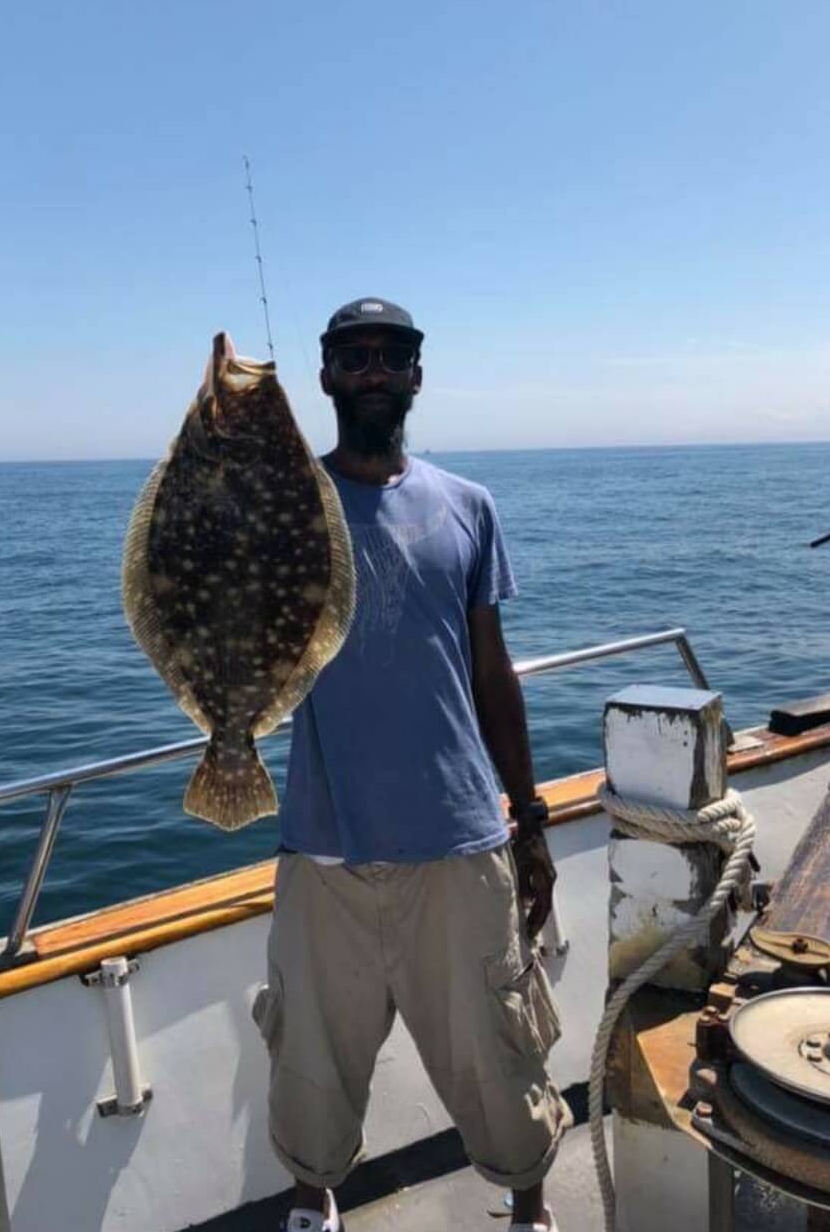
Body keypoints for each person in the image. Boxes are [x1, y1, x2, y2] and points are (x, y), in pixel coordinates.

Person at [252, 298, 571, 1232]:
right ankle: (315, 1208)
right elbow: (242, 633)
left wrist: (533, 817)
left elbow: (490, 671)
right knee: (310, 1056)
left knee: (499, 1049)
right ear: (325, 376)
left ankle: (529, 1210)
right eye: (356, 356)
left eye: (394, 355)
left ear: (418, 377)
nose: (376, 370)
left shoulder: (470, 506)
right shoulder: (284, 511)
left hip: (459, 839)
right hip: (322, 849)